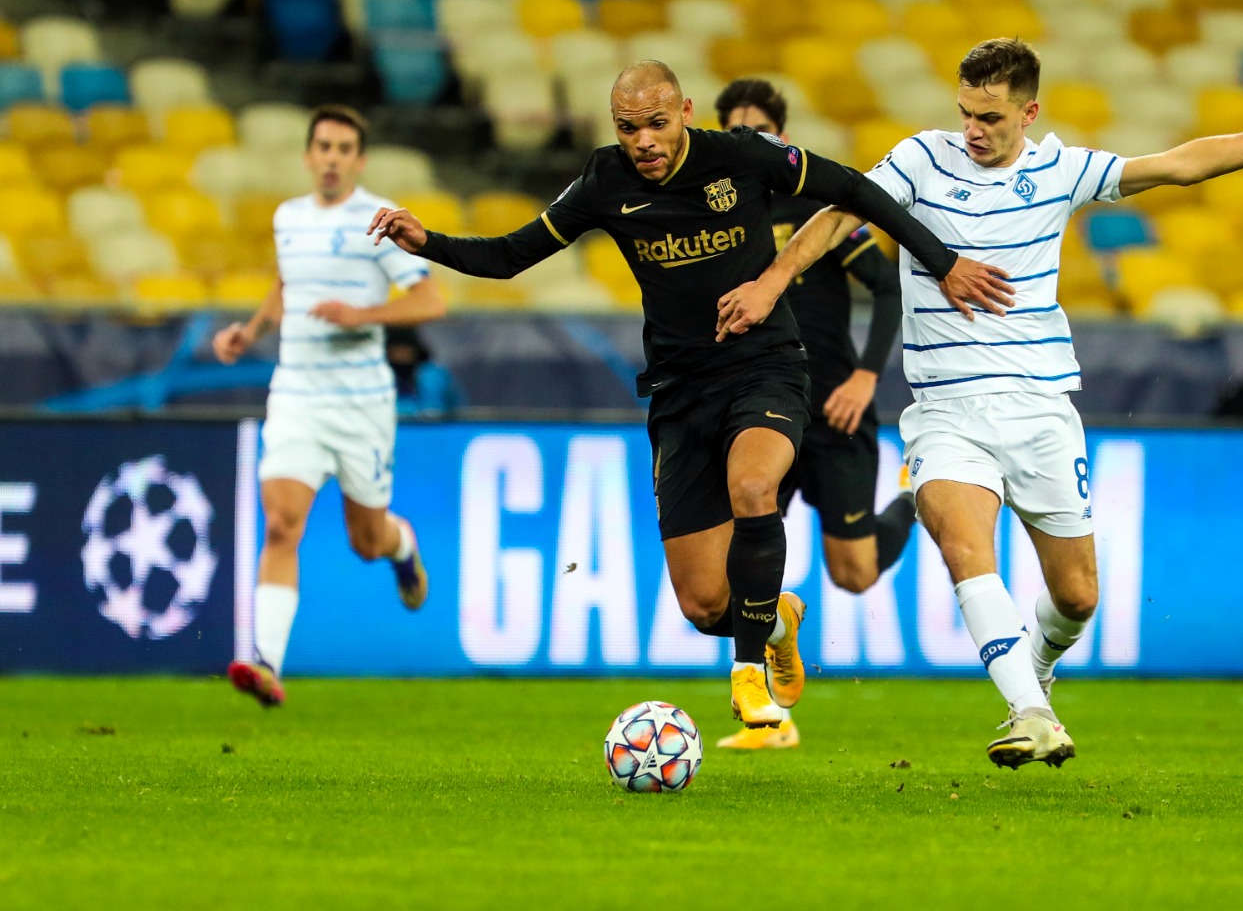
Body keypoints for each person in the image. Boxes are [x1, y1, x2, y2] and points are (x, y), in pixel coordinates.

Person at [716, 38, 1243, 766]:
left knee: (1077, 594)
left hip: (1041, 407)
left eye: (988, 117)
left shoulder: (1062, 170)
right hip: (947, 410)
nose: (972, 129)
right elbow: (835, 215)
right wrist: (771, 282)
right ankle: (1029, 712)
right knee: (966, 551)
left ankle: (1039, 673)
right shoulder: (923, 160)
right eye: (964, 112)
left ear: (1029, 111)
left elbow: (1181, 164)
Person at [366, 61, 1013, 730]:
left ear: (685, 112)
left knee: (757, 490)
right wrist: (429, 242)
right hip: (679, 394)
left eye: (655, 123)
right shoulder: (604, 180)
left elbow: (853, 188)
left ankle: (749, 675)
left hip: (765, 369)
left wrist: (945, 263)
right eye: (627, 128)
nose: (642, 141)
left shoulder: (740, 157)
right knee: (704, 605)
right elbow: (508, 255)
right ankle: (777, 621)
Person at [214, 104, 446, 707]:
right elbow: (288, 283)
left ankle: (402, 546)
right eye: (324, 146)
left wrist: (361, 315)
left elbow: (431, 300)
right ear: (308, 156)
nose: (333, 158)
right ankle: (266, 663)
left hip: (361, 403)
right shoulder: (287, 218)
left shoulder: (377, 219)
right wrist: (251, 329)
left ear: (359, 161)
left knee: (364, 540)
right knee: (283, 522)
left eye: (345, 148)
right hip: (296, 393)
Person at [711, 78, 918, 751]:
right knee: (727, 575)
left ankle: (912, 497)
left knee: (854, 575)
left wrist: (865, 376)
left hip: (834, 411)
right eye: (733, 132)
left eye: (758, 133)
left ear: (782, 138)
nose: (746, 145)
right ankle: (771, 718)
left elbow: (887, 288)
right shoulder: (711, 218)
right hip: (765, 411)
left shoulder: (817, 209)